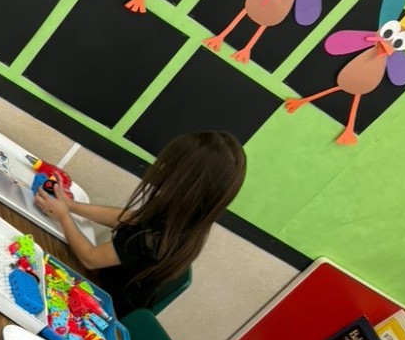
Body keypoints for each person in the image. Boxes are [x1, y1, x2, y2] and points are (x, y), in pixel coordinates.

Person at [32, 131, 246, 314]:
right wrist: (72, 207)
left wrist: (63, 216)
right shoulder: (185, 217)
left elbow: (90, 258)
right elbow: (130, 218)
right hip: (97, 285)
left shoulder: (154, 241)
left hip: (102, 307)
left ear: (183, 181)